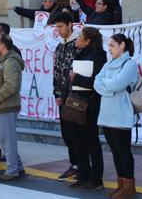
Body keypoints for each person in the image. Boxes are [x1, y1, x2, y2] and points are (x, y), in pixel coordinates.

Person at [94, 34, 138, 199]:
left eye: (112, 45)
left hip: (121, 113)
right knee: (114, 151)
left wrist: (107, 84)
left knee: (123, 151)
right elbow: (96, 82)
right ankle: (121, 184)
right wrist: (109, 85)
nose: (109, 48)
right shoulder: (109, 63)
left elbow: (119, 83)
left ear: (122, 46)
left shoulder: (130, 64)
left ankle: (129, 186)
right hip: (107, 113)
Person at [66, 27, 107, 191]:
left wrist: (76, 77)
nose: (76, 40)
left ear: (88, 40)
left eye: (79, 38)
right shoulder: (80, 54)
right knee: (77, 141)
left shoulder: (98, 57)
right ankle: (83, 175)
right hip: (76, 102)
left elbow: (95, 82)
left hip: (90, 105)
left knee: (91, 142)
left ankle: (96, 179)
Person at [0, 34, 26, 181]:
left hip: (6, 107)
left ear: (2, 46)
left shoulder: (10, 63)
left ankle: (12, 171)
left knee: (7, 140)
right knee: (6, 140)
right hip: (1, 107)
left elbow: (11, 86)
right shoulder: (3, 61)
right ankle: (18, 167)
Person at [53, 12, 81, 181]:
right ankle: (74, 164)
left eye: (61, 26)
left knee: (76, 132)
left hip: (75, 95)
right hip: (61, 97)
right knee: (66, 133)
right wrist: (56, 93)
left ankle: (82, 165)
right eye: (57, 27)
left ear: (70, 25)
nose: (59, 30)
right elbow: (56, 72)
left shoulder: (77, 45)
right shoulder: (59, 46)